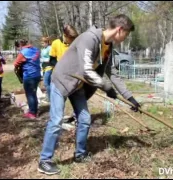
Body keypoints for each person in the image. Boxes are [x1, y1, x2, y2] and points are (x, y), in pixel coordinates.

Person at [38, 14, 141, 175]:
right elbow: (86, 70)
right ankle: (44, 160)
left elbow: (111, 72)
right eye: (126, 34)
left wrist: (130, 98)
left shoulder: (108, 46)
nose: (126, 38)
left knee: (85, 119)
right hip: (62, 80)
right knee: (56, 119)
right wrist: (106, 87)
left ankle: (80, 154)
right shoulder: (89, 39)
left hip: (77, 84)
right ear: (119, 29)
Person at [14, 39, 41, 119]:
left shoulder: (23, 52)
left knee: (30, 95)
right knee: (33, 93)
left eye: (18, 48)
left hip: (29, 76)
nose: (18, 50)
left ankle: (32, 113)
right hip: (37, 74)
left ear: (19, 46)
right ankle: (34, 110)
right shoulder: (36, 49)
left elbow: (16, 63)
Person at [40, 37, 52, 101]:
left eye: (43, 43)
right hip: (44, 67)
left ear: (47, 42)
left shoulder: (50, 48)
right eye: (41, 43)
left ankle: (49, 97)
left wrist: (42, 60)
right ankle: (48, 96)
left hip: (49, 67)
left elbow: (50, 59)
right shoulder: (43, 49)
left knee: (46, 83)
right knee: (48, 83)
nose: (42, 44)